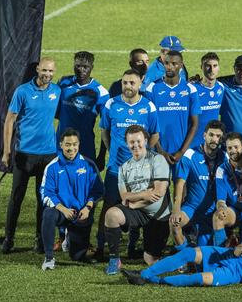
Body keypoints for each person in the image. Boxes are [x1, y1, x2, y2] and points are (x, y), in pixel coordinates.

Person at [121, 210, 242, 287]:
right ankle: (143, 275)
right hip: (229, 255)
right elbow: (238, 252)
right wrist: (241, 248)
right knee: (188, 253)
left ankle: (156, 280)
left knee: (200, 279)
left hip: (239, 273)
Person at [96, 69, 160, 260]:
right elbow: (104, 131)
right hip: (116, 169)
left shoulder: (148, 107)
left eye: (132, 83)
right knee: (109, 205)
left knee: (139, 206)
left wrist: (142, 155)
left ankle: (133, 246)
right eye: (125, 83)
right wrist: (112, 151)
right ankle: (101, 245)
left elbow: (155, 134)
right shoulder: (111, 104)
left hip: (139, 171)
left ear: (140, 83)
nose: (128, 87)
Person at [0, 57, 61, 254]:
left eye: (51, 71)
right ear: (37, 70)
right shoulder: (23, 91)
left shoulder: (56, 91)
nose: (47, 75)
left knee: (42, 199)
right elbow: (9, 120)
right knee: (16, 198)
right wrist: (7, 151)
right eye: (44, 70)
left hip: (48, 155)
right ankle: (9, 239)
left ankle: (39, 240)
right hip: (25, 154)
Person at [104, 125, 172, 275]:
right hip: (138, 212)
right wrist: (145, 194)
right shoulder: (124, 167)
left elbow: (159, 192)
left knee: (150, 259)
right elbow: (124, 197)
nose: (135, 145)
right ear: (127, 144)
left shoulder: (158, 160)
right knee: (111, 215)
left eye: (139, 141)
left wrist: (135, 203)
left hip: (157, 216)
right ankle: (115, 260)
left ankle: (180, 261)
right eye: (131, 142)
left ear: (146, 141)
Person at [39, 129, 104, 270]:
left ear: (79, 144)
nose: (71, 148)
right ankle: (49, 258)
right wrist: (62, 208)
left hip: (81, 214)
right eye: (67, 145)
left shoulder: (89, 165)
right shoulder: (52, 167)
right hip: (62, 212)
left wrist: (87, 208)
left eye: (75, 144)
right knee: (48, 214)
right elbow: (45, 193)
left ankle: (70, 239)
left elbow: (99, 190)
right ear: (61, 145)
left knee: (77, 257)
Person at [170, 120, 227, 247]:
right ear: (204, 135)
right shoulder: (190, 155)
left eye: (218, 136)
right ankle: (184, 260)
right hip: (192, 208)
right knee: (174, 223)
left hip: (213, 211)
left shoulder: (224, 158)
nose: (214, 139)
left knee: (205, 255)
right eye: (211, 135)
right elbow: (179, 184)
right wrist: (176, 209)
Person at [145, 50, 200, 175]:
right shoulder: (152, 88)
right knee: (159, 192)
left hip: (181, 152)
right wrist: (160, 151)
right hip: (157, 151)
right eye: (167, 63)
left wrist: (182, 151)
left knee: (181, 191)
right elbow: (148, 124)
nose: (169, 67)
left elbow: (195, 124)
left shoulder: (190, 89)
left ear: (181, 65)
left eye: (174, 64)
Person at [57, 51, 109, 163]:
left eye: (85, 67)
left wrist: (102, 155)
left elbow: (106, 126)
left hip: (85, 148)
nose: (81, 70)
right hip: (60, 147)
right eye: (78, 66)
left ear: (92, 67)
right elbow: (56, 112)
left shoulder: (101, 93)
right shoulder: (63, 83)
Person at [190, 52, 225, 148]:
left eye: (215, 66)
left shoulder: (221, 88)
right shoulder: (192, 89)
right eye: (208, 66)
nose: (212, 69)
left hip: (213, 143)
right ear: (201, 67)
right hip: (193, 143)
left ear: (219, 68)